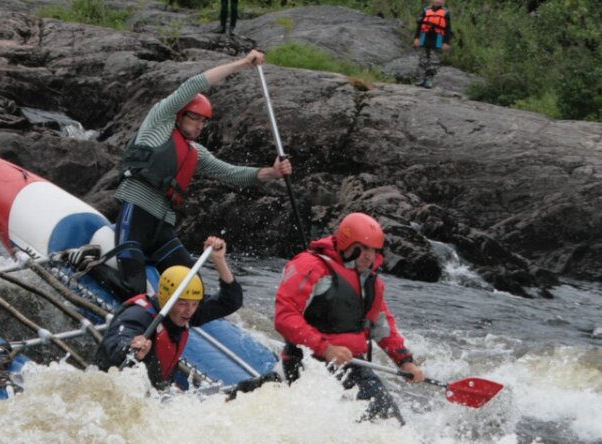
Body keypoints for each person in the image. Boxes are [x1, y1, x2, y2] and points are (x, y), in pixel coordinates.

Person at [103, 50, 292, 300]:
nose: (200, 126)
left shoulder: (196, 153)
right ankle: (90, 268)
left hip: (162, 227)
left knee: (192, 286)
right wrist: (243, 64)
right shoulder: (159, 122)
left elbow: (232, 174)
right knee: (132, 287)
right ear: (180, 115)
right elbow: (194, 84)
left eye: (204, 122)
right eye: (195, 119)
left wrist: (272, 172)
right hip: (135, 214)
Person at [274, 212, 426, 423]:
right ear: (346, 243)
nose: (369, 256)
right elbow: (285, 316)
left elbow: (382, 326)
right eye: (363, 248)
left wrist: (406, 362)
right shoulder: (311, 266)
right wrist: (325, 348)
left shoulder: (367, 280)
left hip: (352, 364)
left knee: (390, 422)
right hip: (307, 361)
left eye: (374, 250)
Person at [94, 236, 241, 389]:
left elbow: (231, 301)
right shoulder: (138, 316)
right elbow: (115, 345)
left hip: (157, 391)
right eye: (183, 303)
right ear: (166, 299)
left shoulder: (187, 313)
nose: (189, 310)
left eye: (194, 303)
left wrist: (219, 260)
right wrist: (131, 348)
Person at [412, 0, 452, 89]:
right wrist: (416, 38)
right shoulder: (426, 10)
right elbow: (419, 26)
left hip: (438, 39)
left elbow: (448, 29)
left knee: (434, 61)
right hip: (425, 37)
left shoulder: (445, 13)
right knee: (422, 60)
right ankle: (420, 79)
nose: (438, 1)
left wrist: (446, 42)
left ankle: (429, 79)